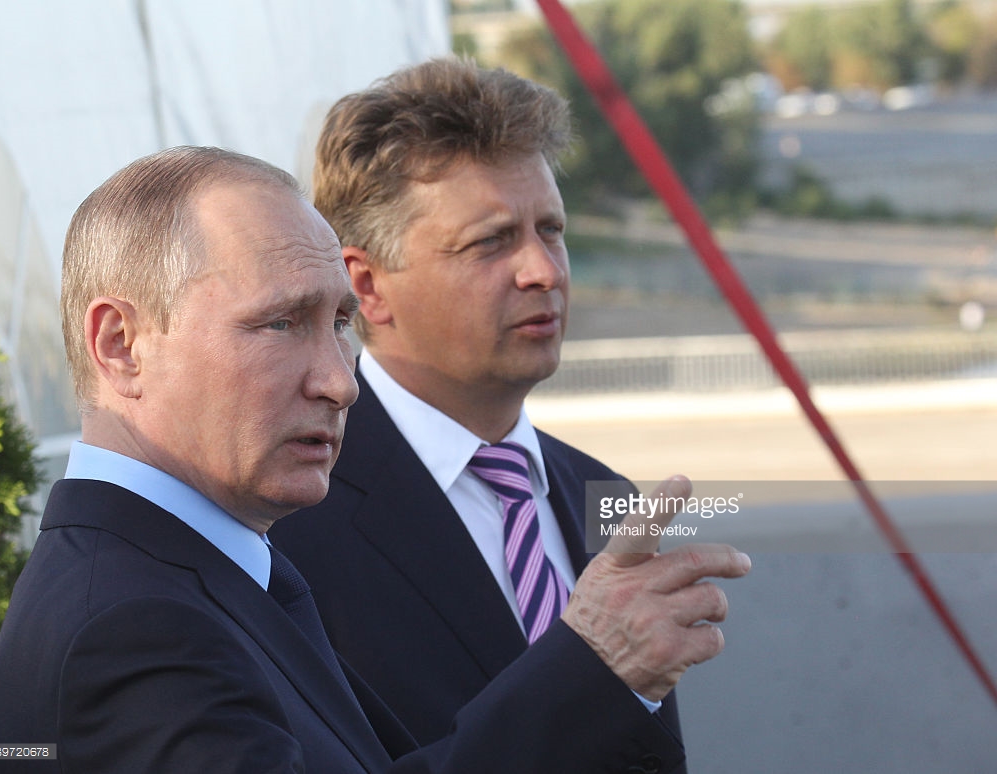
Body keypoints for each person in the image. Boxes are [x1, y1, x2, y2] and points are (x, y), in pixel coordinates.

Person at [0, 145, 750, 773]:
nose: (340, 382)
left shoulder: (208, 575)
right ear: (120, 345)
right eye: (280, 324)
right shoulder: (136, 628)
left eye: (339, 322)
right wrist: (593, 669)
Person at [269, 57, 740, 769]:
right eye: (490, 241)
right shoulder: (289, 520)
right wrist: (589, 673)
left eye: (551, 229)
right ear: (365, 284)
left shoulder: (601, 493)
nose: (543, 270)